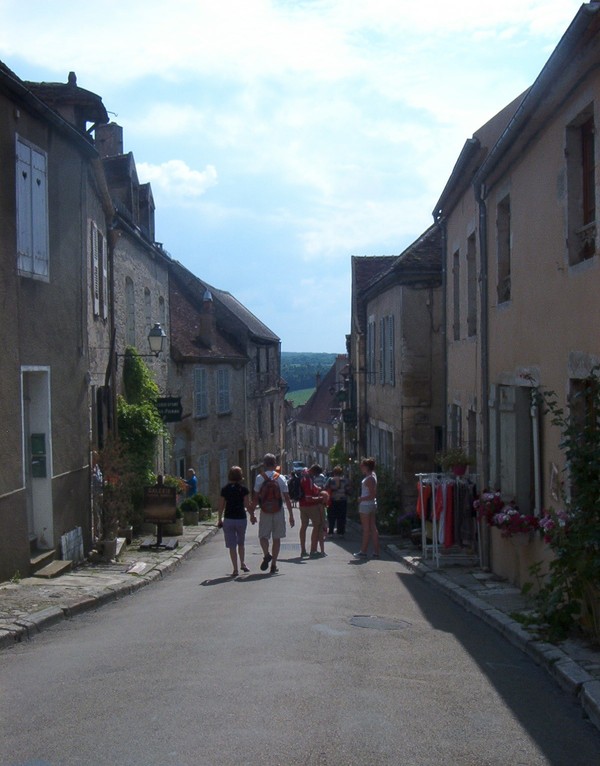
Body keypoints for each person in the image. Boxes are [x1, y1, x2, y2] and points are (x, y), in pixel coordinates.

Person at [252, 453, 294, 574]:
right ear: (275, 464)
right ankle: (274, 564)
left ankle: (266, 555)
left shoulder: (260, 478)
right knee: (277, 538)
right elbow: (287, 498)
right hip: (278, 510)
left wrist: (252, 514)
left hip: (265, 511)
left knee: (263, 536)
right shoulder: (281, 478)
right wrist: (291, 515)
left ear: (264, 464)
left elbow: (255, 498)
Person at [218, 466, 255, 577]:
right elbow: (247, 505)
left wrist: (219, 519)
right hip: (240, 519)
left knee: (232, 545)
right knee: (241, 543)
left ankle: (235, 569)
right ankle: (242, 563)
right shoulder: (243, 489)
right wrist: (252, 516)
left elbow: (221, 506)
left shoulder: (225, 489)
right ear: (240, 476)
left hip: (229, 519)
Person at [299, 464, 329, 558]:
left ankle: (303, 550)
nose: (316, 476)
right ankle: (313, 550)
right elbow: (309, 498)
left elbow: (313, 487)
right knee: (317, 525)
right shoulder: (308, 480)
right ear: (314, 472)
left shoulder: (303, 474)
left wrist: (318, 489)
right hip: (309, 506)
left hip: (301, 504)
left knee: (303, 526)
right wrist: (320, 499)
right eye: (316, 474)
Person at [353, 457, 380, 559]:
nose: (361, 467)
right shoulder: (372, 476)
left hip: (366, 505)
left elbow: (372, 494)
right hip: (371, 504)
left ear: (367, 467)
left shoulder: (369, 479)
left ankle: (363, 551)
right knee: (373, 528)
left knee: (366, 529)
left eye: (362, 466)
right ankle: (376, 551)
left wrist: (361, 499)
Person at [324, 465, 350, 536]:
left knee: (331, 516)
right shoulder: (345, 480)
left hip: (332, 500)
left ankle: (331, 531)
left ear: (334, 472)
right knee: (341, 517)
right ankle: (340, 532)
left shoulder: (330, 479)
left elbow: (325, 488)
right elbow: (348, 490)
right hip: (342, 500)